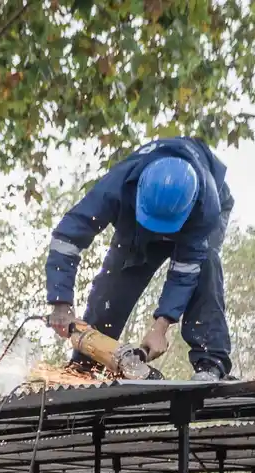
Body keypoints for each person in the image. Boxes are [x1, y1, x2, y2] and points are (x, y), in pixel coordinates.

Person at [46, 136, 234, 381]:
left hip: (192, 225)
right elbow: (67, 237)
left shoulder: (206, 206)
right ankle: (87, 363)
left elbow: (185, 271)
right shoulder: (116, 186)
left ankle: (211, 363)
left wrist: (160, 328)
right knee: (115, 282)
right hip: (137, 228)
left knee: (205, 264)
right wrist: (61, 302)